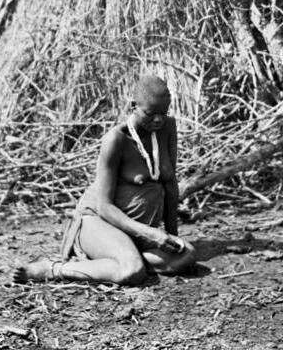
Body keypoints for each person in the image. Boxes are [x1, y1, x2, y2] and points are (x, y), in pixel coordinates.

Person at [14, 74, 196, 285]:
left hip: (137, 229)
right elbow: (104, 207)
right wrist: (152, 235)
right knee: (132, 271)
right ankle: (53, 269)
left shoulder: (167, 128)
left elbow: (170, 184)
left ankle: (118, 257)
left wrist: (171, 237)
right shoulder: (116, 140)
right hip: (98, 222)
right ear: (133, 106)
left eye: (163, 113)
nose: (158, 119)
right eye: (150, 113)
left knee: (186, 255)